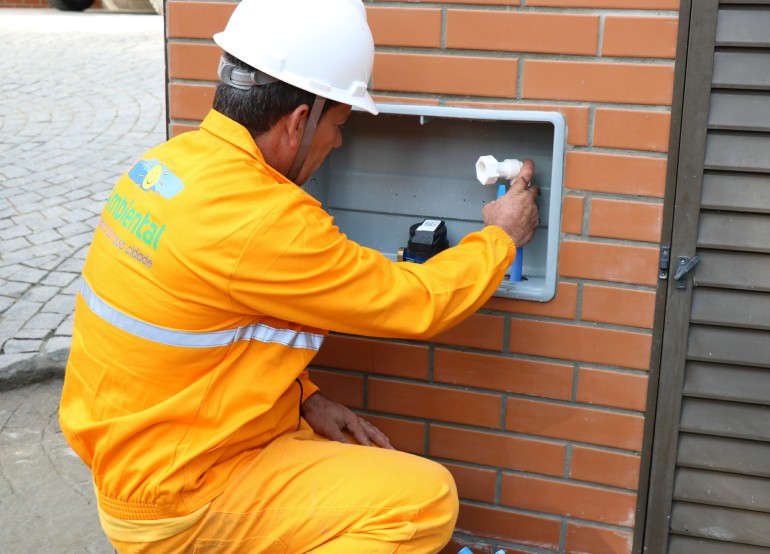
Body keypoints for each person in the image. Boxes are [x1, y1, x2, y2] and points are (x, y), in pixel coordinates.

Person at [58, 0, 540, 552]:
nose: (337, 142)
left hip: (138, 463)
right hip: (181, 498)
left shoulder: (164, 168)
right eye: (339, 124)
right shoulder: (265, 219)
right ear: (296, 122)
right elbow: (416, 301)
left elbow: (204, 341)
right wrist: (500, 237)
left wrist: (302, 398)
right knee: (424, 500)